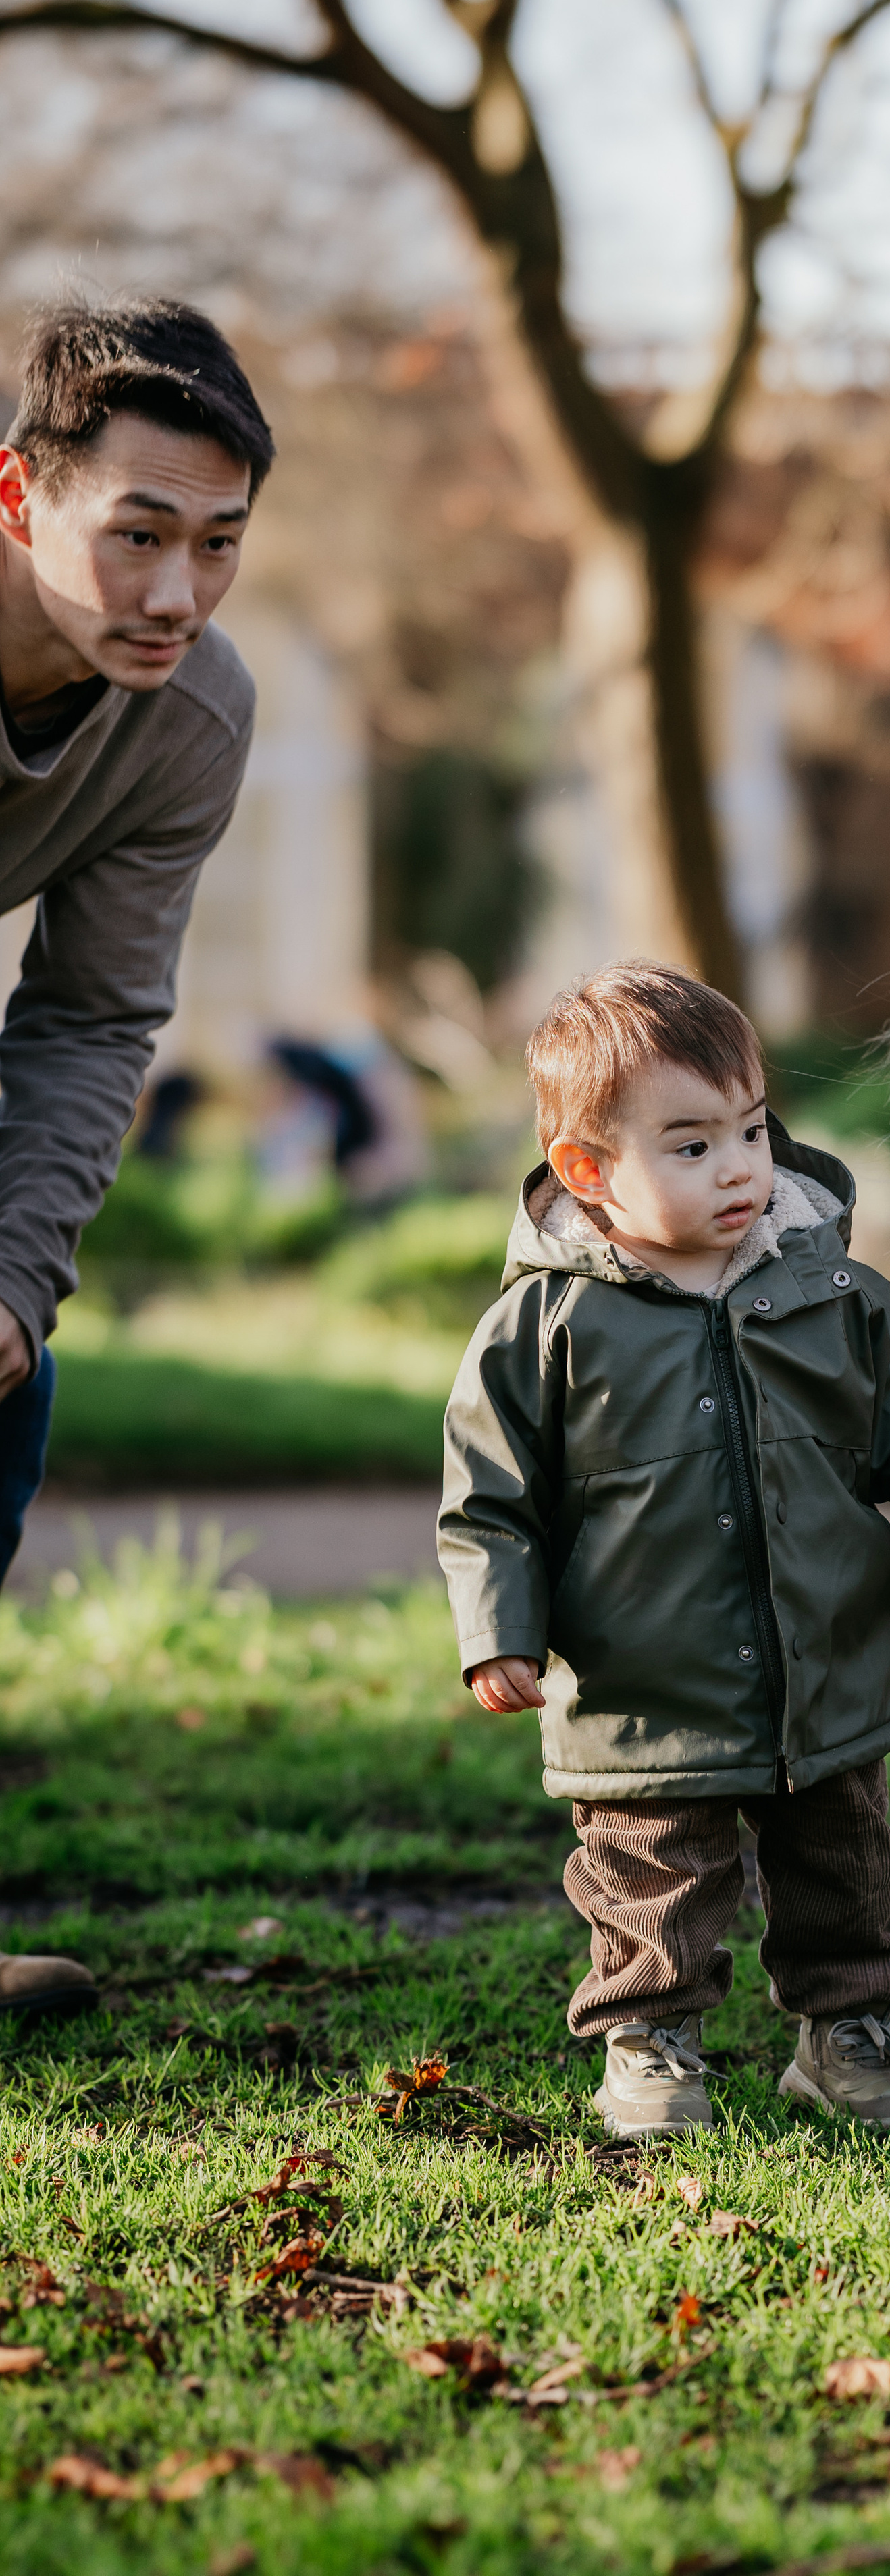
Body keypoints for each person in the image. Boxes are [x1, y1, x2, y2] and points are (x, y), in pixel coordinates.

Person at [438, 961, 890, 2141]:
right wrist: (498, 1631)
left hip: (825, 1660)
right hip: (643, 1682)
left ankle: (847, 2031)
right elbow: (491, 1498)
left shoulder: (830, 1293)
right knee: (653, 1877)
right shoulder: (545, 1326)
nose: (740, 1168)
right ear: (588, 1173)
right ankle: (651, 2038)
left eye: (751, 1131)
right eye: (691, 1145)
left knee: (850, 1863)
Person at [0, 299, 272, 2016]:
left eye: (220, 544)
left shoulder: (189, 720)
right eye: (138, 534)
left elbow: (93, 1017)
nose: (177, 594)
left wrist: (12, 1276)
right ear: (18, 499)